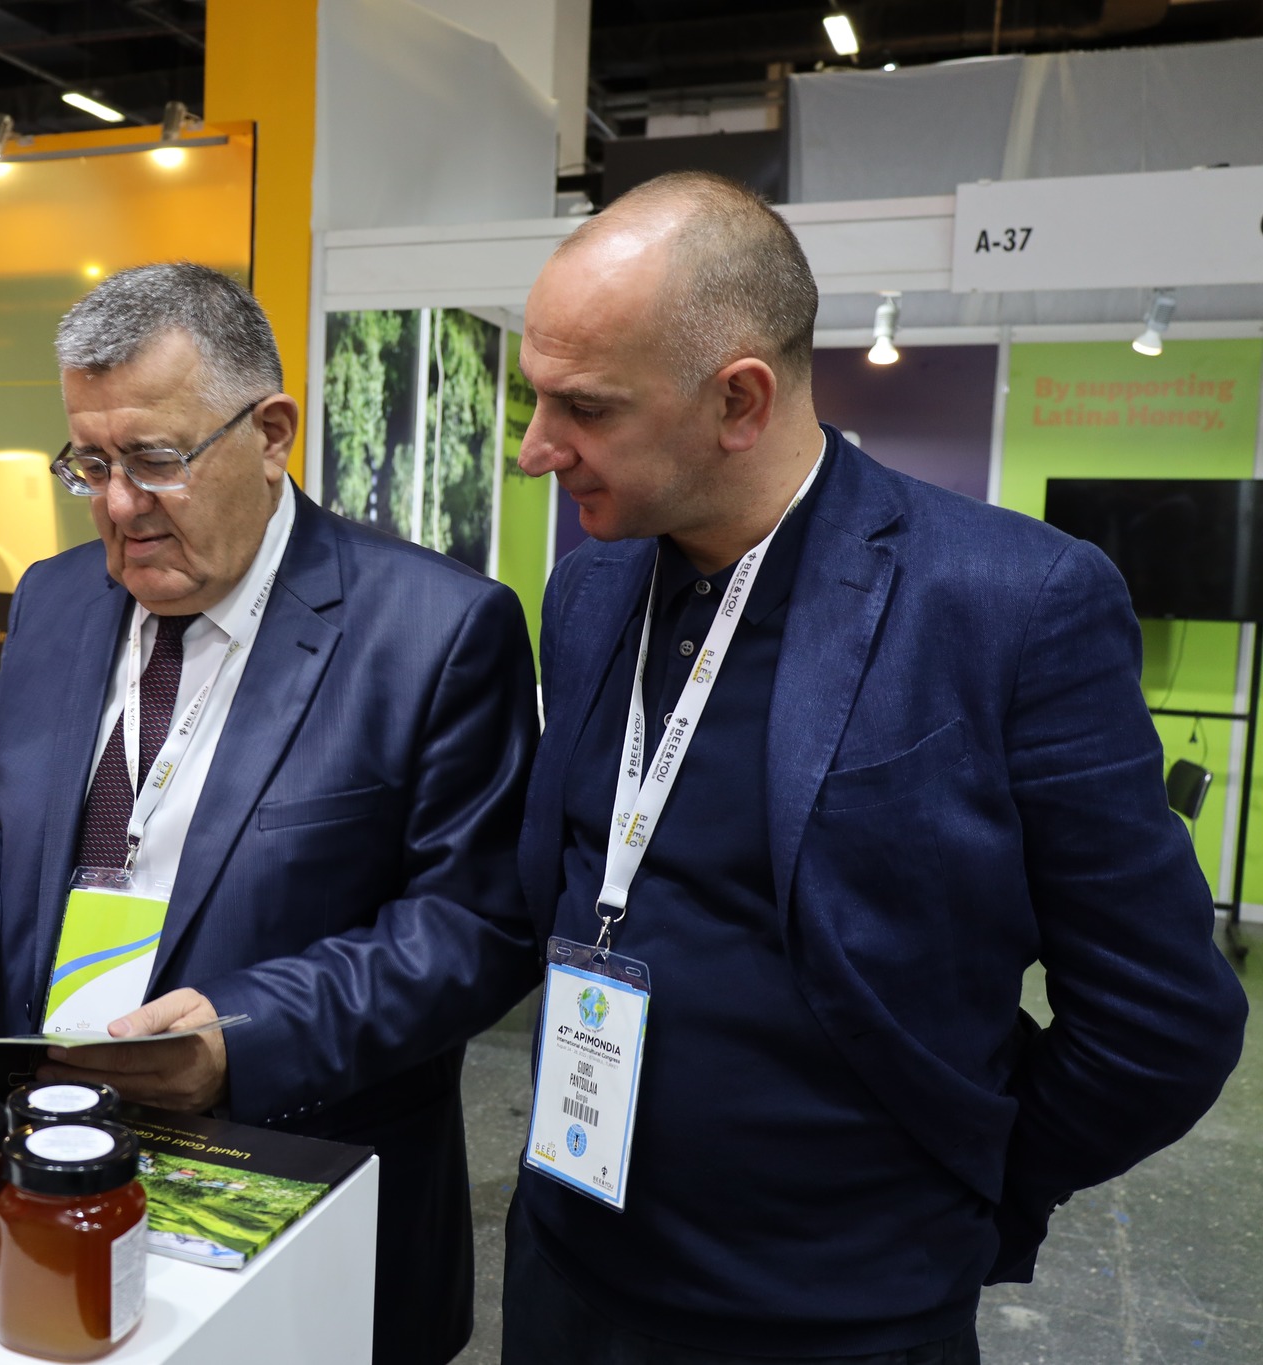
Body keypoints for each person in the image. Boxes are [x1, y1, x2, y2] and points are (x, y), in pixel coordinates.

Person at [504, 171, 1248, 1363]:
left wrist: (960, 1189)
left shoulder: (1007, 603)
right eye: (534, 396)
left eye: (583, 408)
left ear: (738, 401)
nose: (537, 449)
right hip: (566, 1265)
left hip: (836, 1317)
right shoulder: (591, 585)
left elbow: (1160, 1021)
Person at [0, 262, 541, 1365]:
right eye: (91, 463)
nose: (119, 505)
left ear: (271, 435)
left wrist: (243, 1038)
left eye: (156, 460)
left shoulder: (434, 630)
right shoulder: (57, 598)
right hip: (48, 1163)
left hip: (288, 1183)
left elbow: (473, 928)